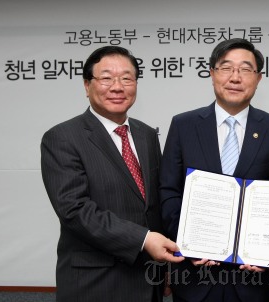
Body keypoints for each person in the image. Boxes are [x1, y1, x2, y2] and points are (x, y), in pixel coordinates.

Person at [40, 45, 184, 302]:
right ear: (87, 86)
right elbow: (75, 210)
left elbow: (154, 205)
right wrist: (143, 240)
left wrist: (167, 266)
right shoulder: (62, 138)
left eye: (127, 78)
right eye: (106, 78)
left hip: (148, 278)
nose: (118, 87)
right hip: (95, 282)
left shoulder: (147, 134)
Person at [160, 38, 269, 302]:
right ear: (212, 74)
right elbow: (169, 191)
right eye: (226, 67)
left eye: (245, 69)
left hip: (253, 279)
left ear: (259, 78)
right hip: (194, 276)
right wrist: (188, 243)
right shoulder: (184, 125)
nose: (235, 77)